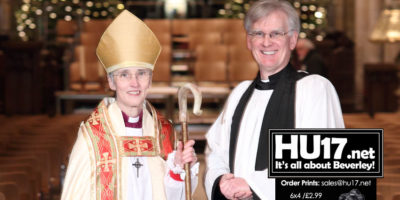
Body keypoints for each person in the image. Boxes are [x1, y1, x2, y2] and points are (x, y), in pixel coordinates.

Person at [204, 0, 344, 199]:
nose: (266, 42)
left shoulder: (314, 89)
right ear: (248, 40)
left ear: (293, 40)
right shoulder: (239, 94)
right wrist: (221, 181)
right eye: (258, 33)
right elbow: (216, 152)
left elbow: (321, 164)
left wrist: (253, 186)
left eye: (276, 33)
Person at [61, 10, 199, 200]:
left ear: (150, 81)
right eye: (124, 74)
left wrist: (178, 169)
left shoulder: (164, 133)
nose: (134, 83)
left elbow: (177, 197)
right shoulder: (93, 136)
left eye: (141, 73)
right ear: (111, 82)